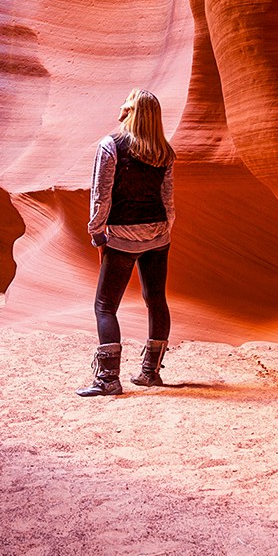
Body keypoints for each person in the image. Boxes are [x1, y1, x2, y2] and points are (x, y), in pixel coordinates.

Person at [77, 88, 176, 397]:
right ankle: (150, 373)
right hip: (159, 234)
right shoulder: (164, 151)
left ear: (131, 111)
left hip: (122, 235)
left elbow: (101, 193)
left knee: (105, 306)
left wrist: (97, 232)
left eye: (126, 104)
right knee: (156, 300)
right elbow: (168, 199)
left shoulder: (112, 146)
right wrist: (163, 230)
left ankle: (108, 380)